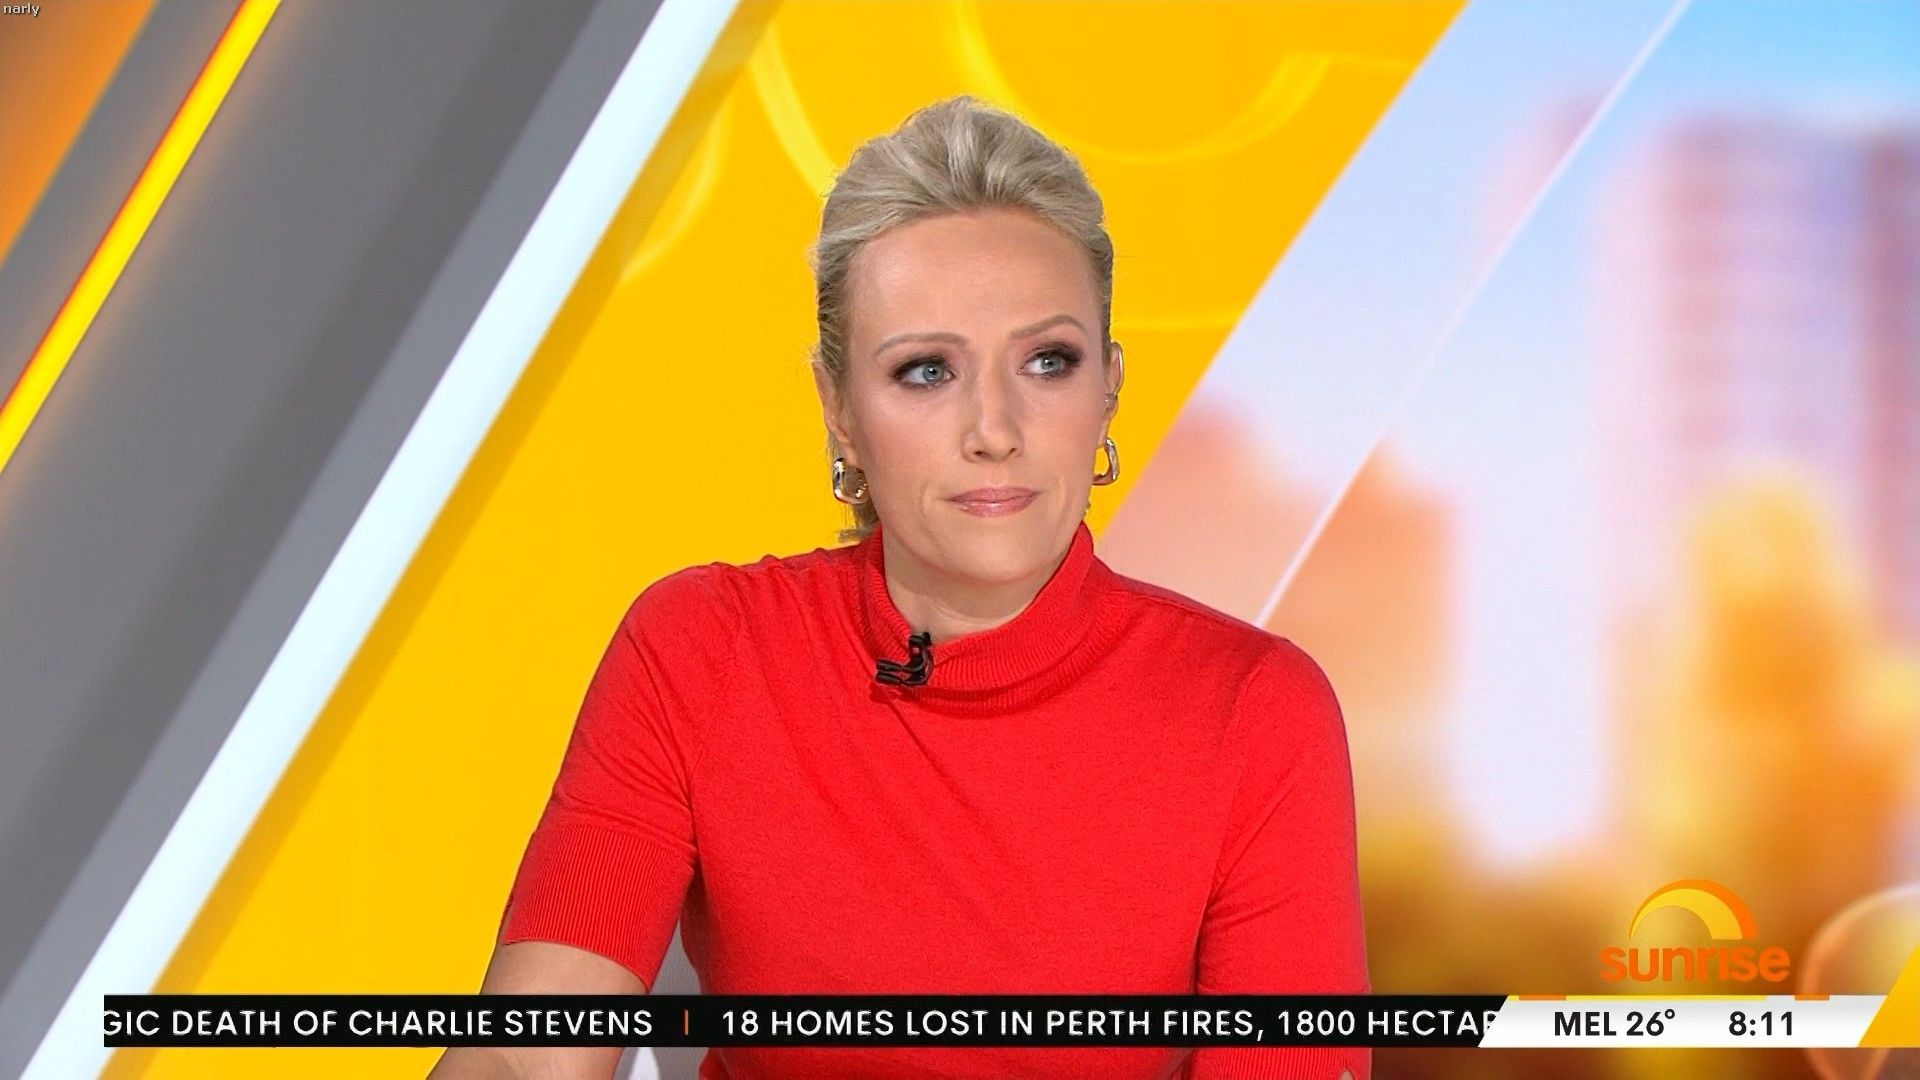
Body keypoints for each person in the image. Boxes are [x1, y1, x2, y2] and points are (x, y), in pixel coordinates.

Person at [431, 94, 1368, 1080]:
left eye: (1047, 362)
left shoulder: (1255, 711)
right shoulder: (701, 647)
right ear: (839, 409)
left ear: (1108, 388)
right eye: (926, 372)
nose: (994, 430)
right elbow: (522, 1059)